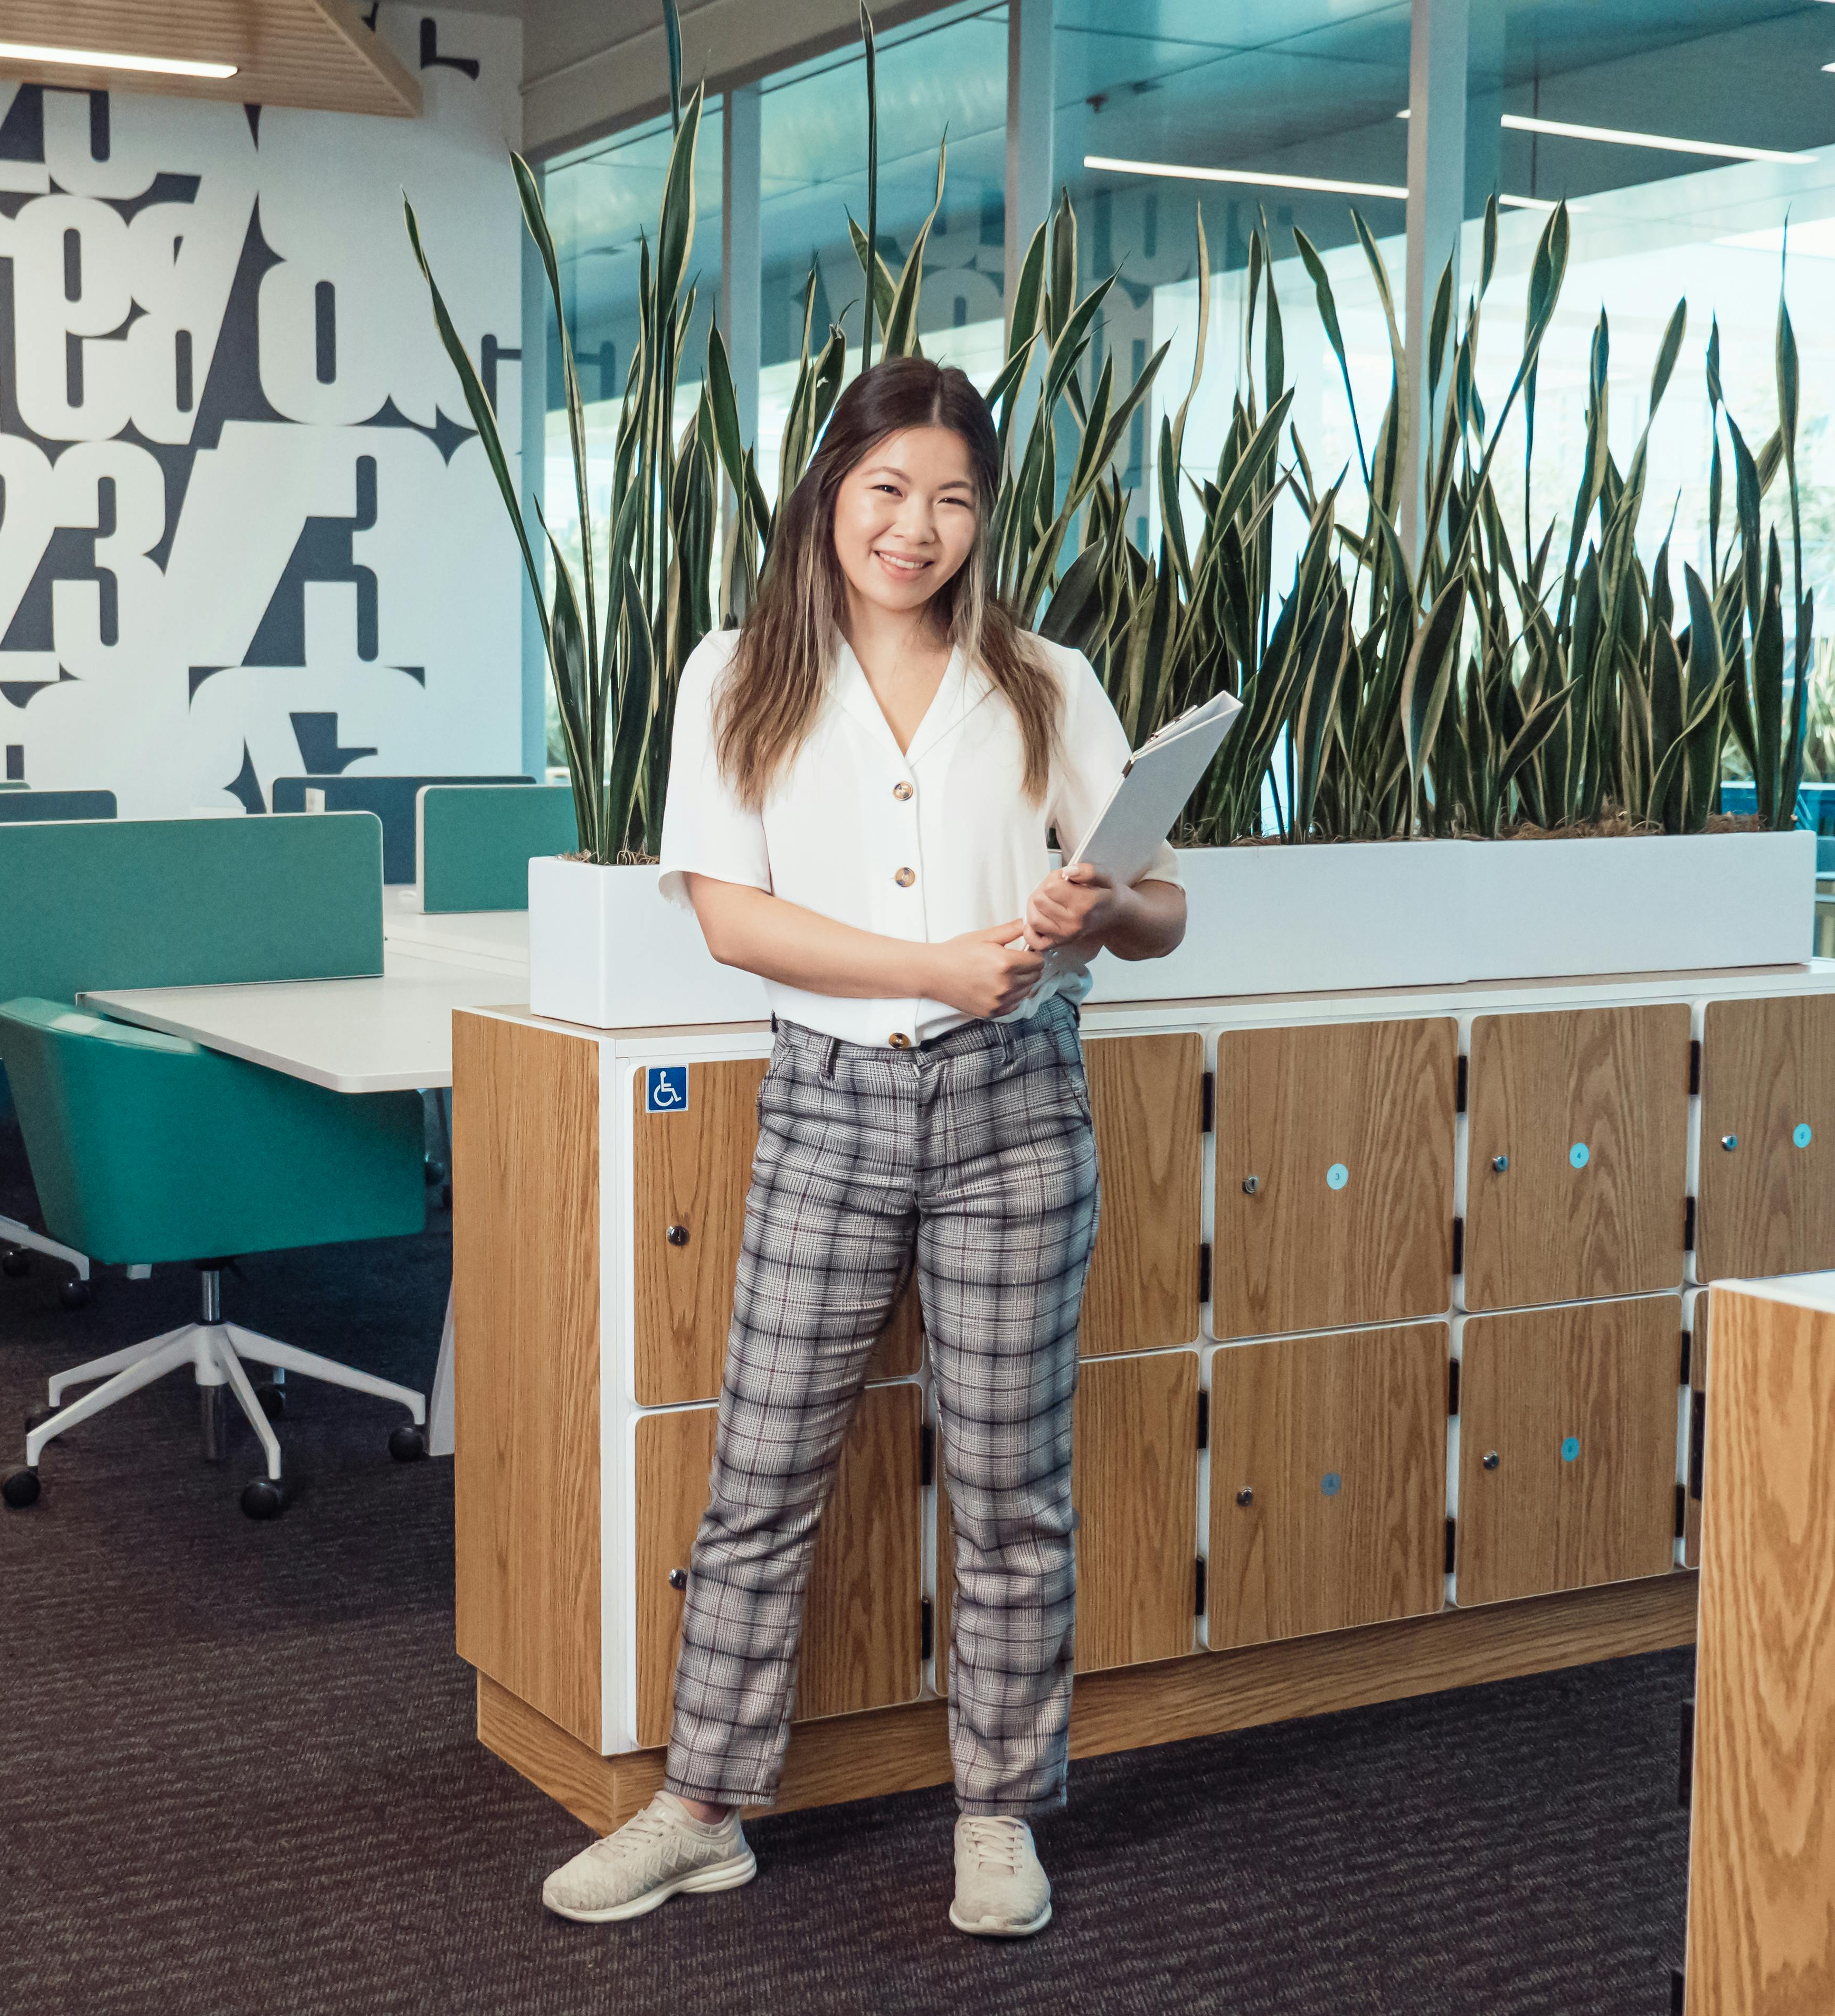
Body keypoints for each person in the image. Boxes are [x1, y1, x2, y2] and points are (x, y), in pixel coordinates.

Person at [538, 355, 1188, 1938]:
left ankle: (998, 1814)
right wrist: (933, 968)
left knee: (1011, 1487)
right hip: (829, 1106)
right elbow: (728, 915)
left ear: (984, 518)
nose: (917, 526)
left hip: (1015, 1113)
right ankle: (701, 1809)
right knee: (760, 1474)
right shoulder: (739, 674)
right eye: (889, 488)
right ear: (831, 489)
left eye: (953, 499)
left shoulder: (1044, 680)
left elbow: (1164, 908)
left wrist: (1104, 901)